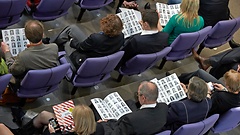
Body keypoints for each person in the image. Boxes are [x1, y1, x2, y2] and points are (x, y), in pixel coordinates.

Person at [1, 20, 58, 87]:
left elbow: (12, 70)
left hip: (28, 84)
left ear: (26, 37)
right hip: (47, 81)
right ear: (43, 35)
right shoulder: (54, 47)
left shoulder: (23, 57)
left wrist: (7, 51)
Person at [53, 14, 124, 69]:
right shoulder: (121, 37)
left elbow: (80, 47)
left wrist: (72, 41)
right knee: (72, 28)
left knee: (65, 40)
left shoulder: (96, 38)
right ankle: (51, 42)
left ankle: (51, 46)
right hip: (98, 53)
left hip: (83, 58)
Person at [98, 81, 168, 135]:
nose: (137, 96)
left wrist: (104, 124)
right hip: (147, 127)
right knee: (130, 102)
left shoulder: (131, 120)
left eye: (138, 94)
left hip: (129, 127)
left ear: (143, 98)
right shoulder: (164, 107)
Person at [0, 105, 104, 135]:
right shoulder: (98, 128)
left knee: (1, 127)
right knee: (45, 115)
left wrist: (52, 133)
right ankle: (23, 130)